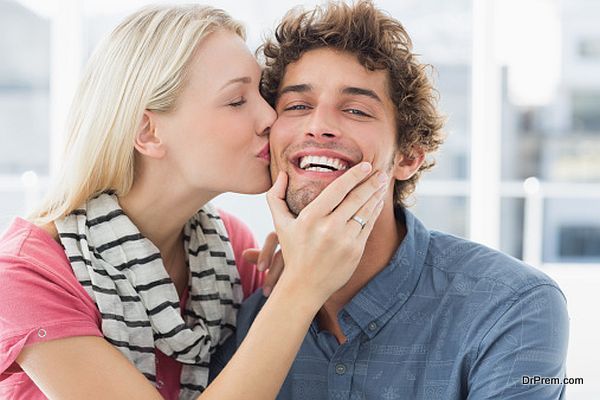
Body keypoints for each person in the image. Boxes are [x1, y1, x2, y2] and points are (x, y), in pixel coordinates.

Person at [0, 5, 390, 400]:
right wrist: (302, 284)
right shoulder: (26, 275)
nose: (270, 116)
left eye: (262, 93)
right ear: (148, 132)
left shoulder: (232, 250)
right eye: (237, 100)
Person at [210, 1, 570, 399]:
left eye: (356, 110)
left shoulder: (512, 306)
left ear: (408, 156)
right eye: (297, 106)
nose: (319, 126)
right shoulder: (249, 318)